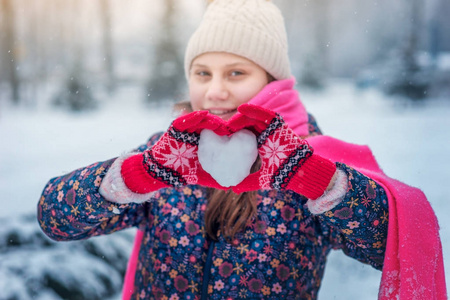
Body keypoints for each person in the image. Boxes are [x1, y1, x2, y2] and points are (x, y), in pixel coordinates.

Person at [37, 0, 446, 299]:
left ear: (271, 79)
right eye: (202, 73)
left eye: (236, 72)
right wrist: (133, 176)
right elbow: (55, 219)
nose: (215, 91)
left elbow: (395, 245)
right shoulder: (168, 157)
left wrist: (319, 182)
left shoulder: (309, 158)